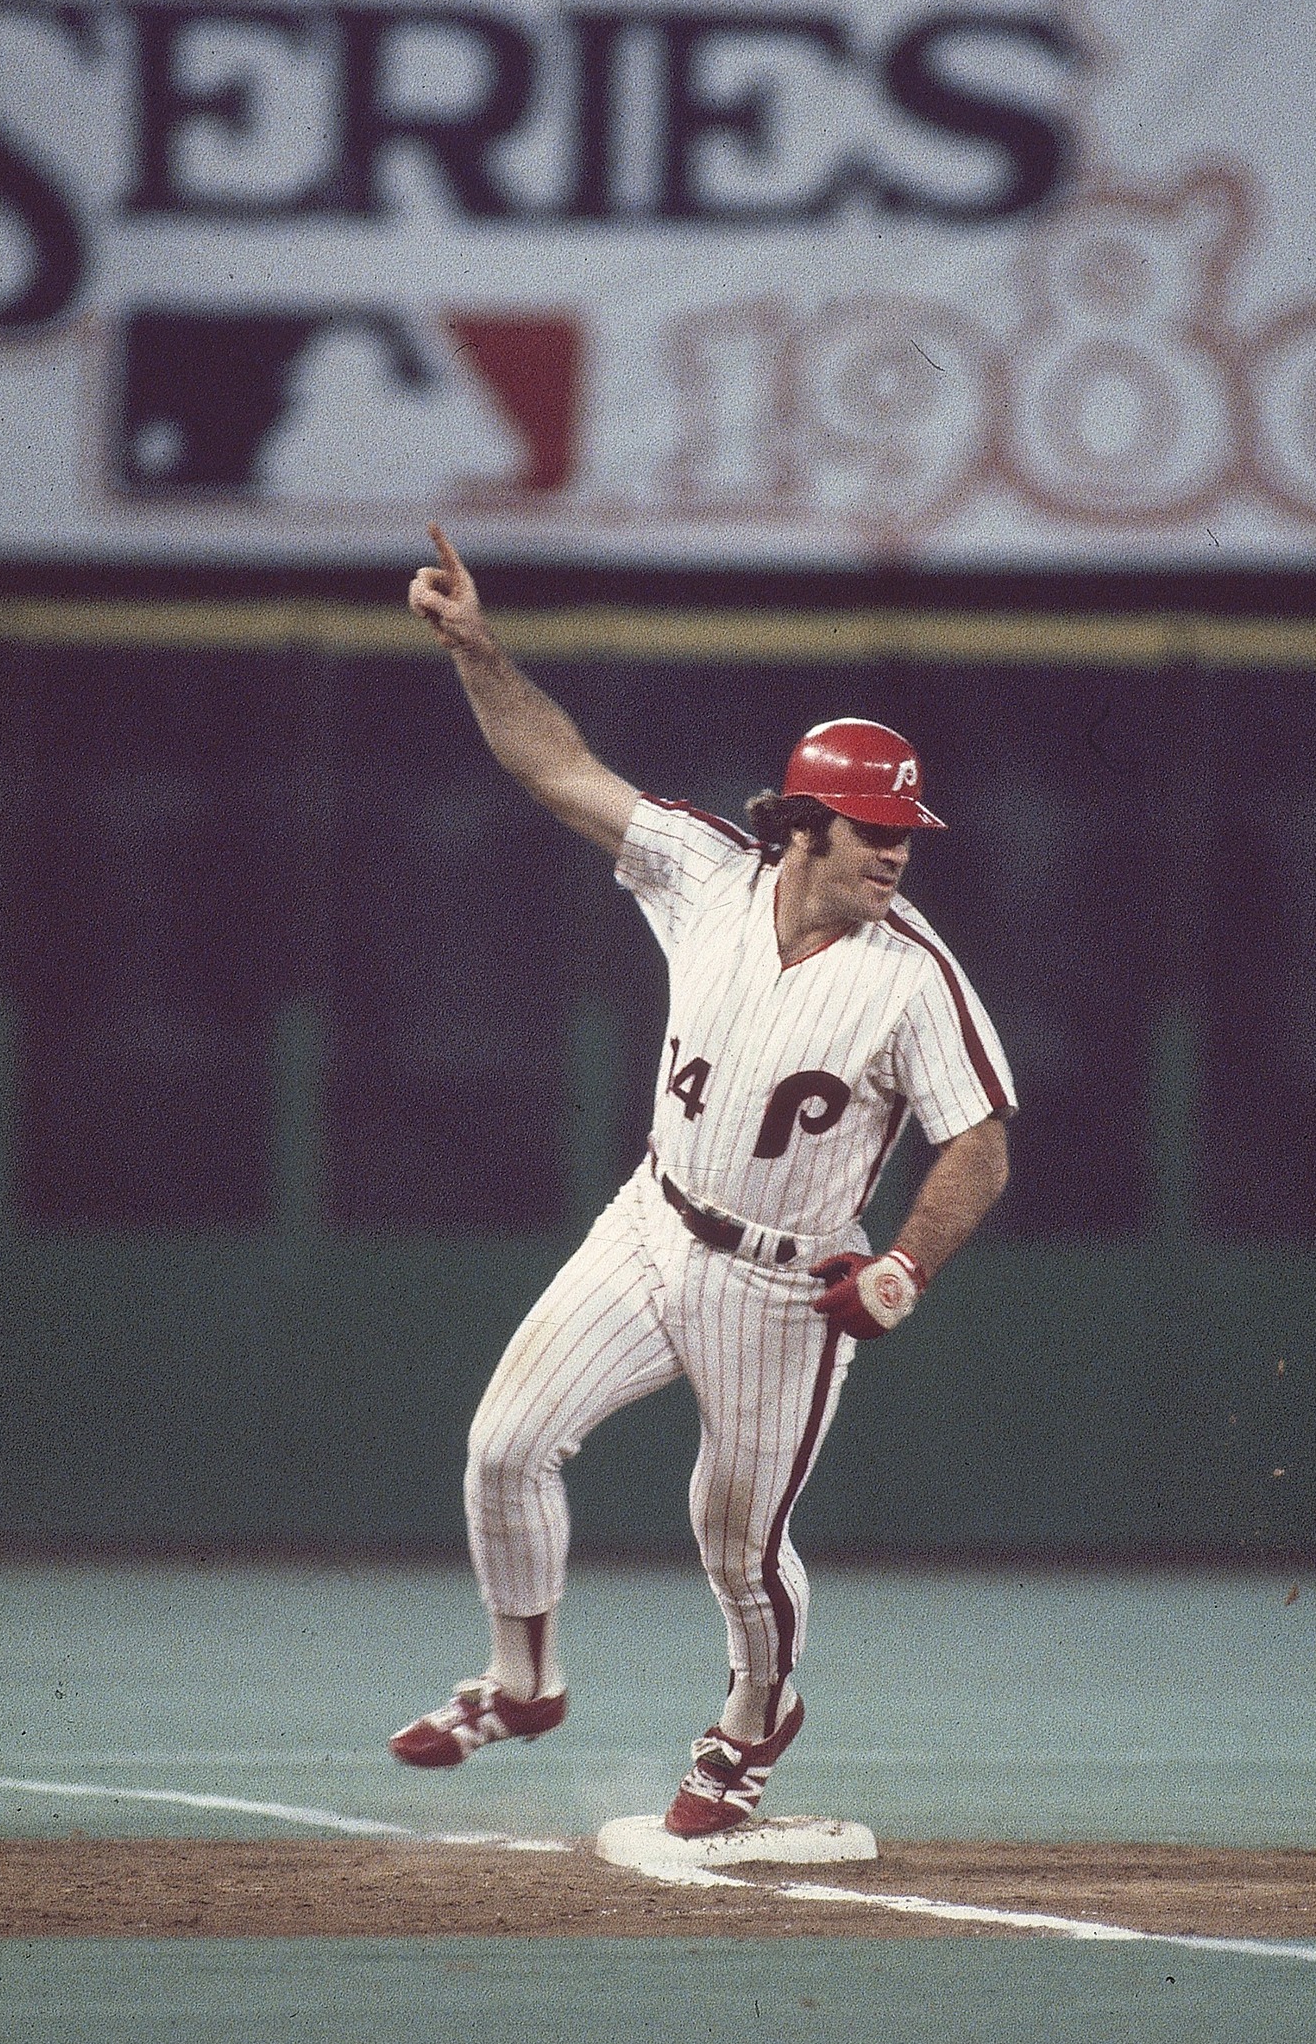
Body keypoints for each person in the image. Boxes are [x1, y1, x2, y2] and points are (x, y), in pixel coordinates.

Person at [390, 527, 1014, 1836]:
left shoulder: (913, 979)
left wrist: (902, 1267)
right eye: (871, 829)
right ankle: (522, 1681)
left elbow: (981, 1145)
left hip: (793, 1286)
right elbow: (556, 766)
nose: (896, 854)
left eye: (909, 832)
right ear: (800, 826)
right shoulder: (706, 873)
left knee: (734, 1547)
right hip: (653, 1222)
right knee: (505, 1444)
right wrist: (475, 645)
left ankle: (749, 1729)